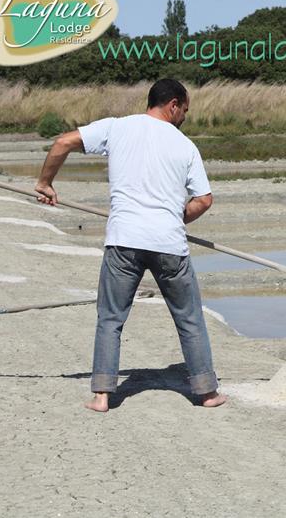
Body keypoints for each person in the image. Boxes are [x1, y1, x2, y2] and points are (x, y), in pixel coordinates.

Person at [34, 78, 227, 412]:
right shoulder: (185, 146)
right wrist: (174, 216)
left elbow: (63, 142)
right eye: (185, 110)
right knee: (190, 319)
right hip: (169, 244)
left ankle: (102, 396)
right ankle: (207, 393)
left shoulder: (116, 128)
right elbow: (205, 200)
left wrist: (44, 183)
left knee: (110, 318)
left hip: (123, 241)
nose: (184, 117)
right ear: (173, 105)